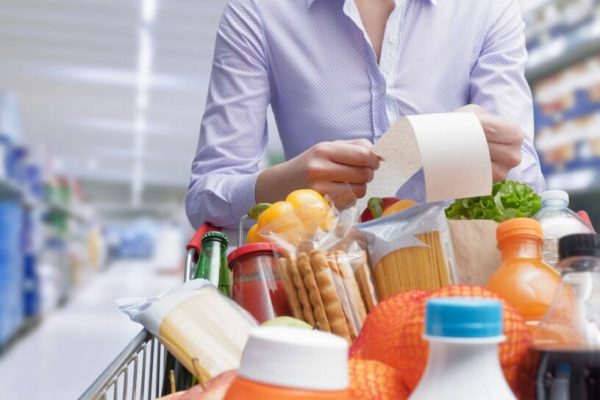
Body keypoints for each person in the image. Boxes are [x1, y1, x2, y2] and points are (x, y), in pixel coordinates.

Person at [186, 0, 545, 229]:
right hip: (324, 279)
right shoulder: (259, 11)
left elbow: (527, 190)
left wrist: (502, 161)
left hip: (455, 279)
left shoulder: (488, 9)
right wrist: (284, 184)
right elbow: (205, 198)